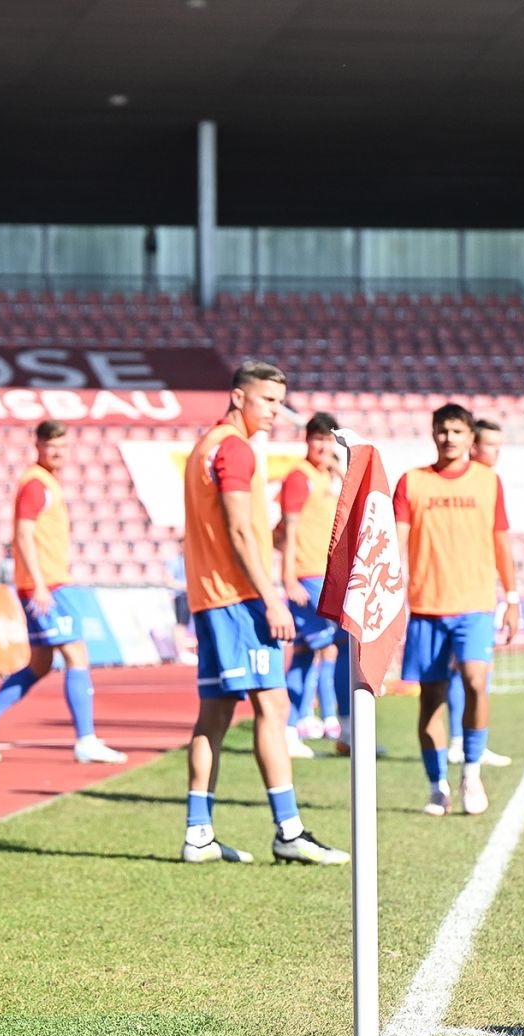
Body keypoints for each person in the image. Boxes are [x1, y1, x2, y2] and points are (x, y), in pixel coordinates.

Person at [179, 361, 346, 866]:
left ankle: (198, 834)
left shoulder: (205, 447)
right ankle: (289, 831)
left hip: (210, 597)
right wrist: (271, 598)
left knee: (214, 715)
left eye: (280, 401)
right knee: (272, 708)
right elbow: (237, 531)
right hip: (238, 598)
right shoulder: (235, 448)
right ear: (239, 397)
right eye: (269, 400)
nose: (277, 410)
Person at [0, 420, 127, 765]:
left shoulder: (46, 482)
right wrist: (38, 583)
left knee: (40, 664)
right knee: (76, 654)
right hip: (48, 584)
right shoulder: (36, 483)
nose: (58, 452)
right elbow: (23, 534)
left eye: (63, 446)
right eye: (52, 446)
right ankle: (85, 739)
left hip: (46, 581)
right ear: (38, 445)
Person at [396, 402, 520, 817]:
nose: (449, 438)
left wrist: (512, 597)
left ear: (470, 437)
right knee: (430, 699)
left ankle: (471, 772)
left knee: (475, 682)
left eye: (457, 431)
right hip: (427, 607)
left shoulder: (488, 482)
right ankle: (437, 787)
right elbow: (396, 541)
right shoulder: (412, 482)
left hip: (475, 605)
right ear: (433, 433)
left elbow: (501, 541)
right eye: (442, 430)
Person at [446, 418, 511, 769]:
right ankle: (460, 740)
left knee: (473, 672)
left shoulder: (488, 484)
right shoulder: (464, 485)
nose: (496, 453)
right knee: (464, 672)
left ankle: (466, 741)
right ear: (473, 446)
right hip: (455, 594)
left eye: (499, 447)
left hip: (479, 590)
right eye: (490, 446)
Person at [277, 413, 342, 759]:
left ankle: (293, 727)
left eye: (329, 439)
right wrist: (289, 578)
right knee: (336, 644)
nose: (323, 446)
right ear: (307, 440)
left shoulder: (327, 477)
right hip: (309, 577)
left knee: (306, 652)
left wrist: (338, 470)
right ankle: (339, 723)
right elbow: (288, 532)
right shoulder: (299, 477)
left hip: (327, 575)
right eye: (318, 438)